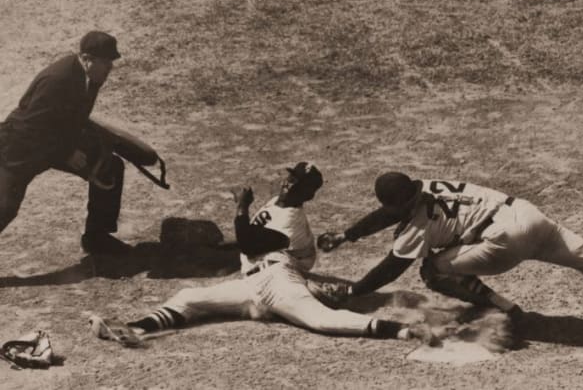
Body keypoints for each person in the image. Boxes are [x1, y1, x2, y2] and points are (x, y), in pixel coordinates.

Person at [89, 163, 435, 346]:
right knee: (189, 297)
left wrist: (241, 208)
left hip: (277, 281)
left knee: (318, 321)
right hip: (252, 283)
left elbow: (252, 242)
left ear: (306, 194)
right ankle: (132, 329)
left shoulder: (290, 219)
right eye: (289, 177)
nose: (288, 184)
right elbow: (247, 241)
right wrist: (212, 247)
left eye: (297, 183)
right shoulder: (276, 203)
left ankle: (400, 331)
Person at [316, 171, 583, 329]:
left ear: (401, 202)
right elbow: (386, 214)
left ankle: (508, 313)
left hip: (502, 242)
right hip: (527, 214)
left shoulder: (415, 225)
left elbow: (390, 269)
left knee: (432, 271)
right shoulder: (426, 185)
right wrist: (349, 235)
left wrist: (354, 291)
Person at [0, 31, 130, 255]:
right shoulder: (58, 79)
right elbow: (30, 128)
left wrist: (93, 142)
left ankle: (97, 237)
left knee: (109, 167)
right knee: (5, 208)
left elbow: (71, 115)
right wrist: (65, 153)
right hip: (19, 149)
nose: (110, 68)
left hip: (57, 141)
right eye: (106, 62)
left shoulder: (92, 76)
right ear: (88, 59)